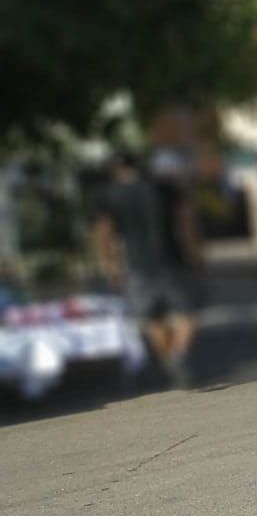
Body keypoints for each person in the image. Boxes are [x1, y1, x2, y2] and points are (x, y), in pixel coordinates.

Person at [92, 150, 201, 388]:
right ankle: (179, 353)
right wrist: (194, 252)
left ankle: (169, 360)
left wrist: (109, 266)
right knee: (188, 313)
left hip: (136, 265)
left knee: (151, 318)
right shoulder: (164, 188)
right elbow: (186, 221)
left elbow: (104, 233)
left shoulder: (110, 195)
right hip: (172, 259)